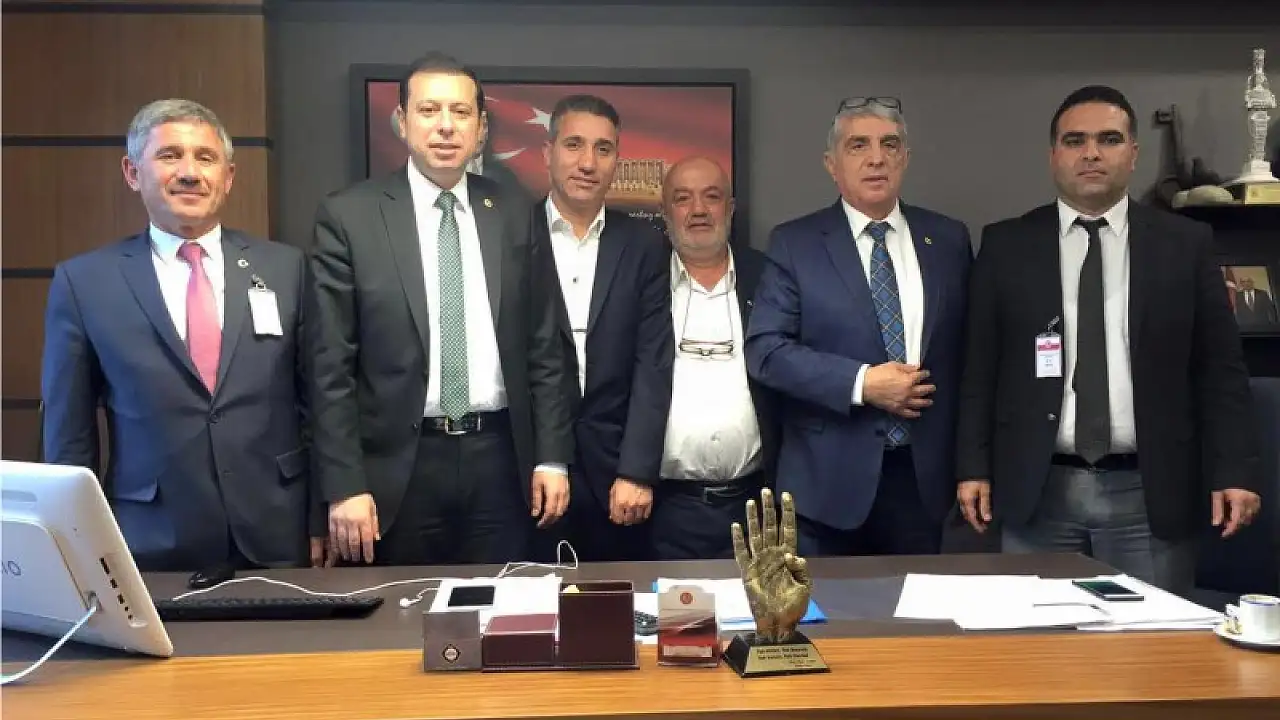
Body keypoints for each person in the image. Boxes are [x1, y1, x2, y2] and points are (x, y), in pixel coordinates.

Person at [955, 85, 1262, 594]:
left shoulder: (1184, 245)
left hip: (1150, 493)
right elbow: (978, 370)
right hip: (1038, 493)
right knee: (1040, 638)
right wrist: (972, 467)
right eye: (1075, 140)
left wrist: (1235, 470)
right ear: (1054, 155)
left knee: (1152, 640)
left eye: (1109, 139)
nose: (1091, 153)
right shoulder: (1007, 245)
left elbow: (1221, 370)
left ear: (1133, 153)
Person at [308, 52, 574, 566]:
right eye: (429, 110)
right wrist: (344, 485)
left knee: (504, 608)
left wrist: (553, 458)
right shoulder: (350, 216)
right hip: (397, 469)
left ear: (481, 127)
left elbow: (545, 345)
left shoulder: (515, 212)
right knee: (402, 609)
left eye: (461, 112)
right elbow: (328, 366)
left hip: (501, 461)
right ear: (402, 121)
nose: (446, 126)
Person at [41, 99, 322, 572]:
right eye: (170, 156)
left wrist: (320, 514)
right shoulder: (85, 283)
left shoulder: (285, 268)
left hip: (277, 532)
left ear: (228, 177)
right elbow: (69, 433)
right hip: (149, 539)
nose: (190, 173)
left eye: (205, 158)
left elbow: (318, 402)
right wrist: (75, 544)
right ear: (132, 173)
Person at [745, 96, 972, 557]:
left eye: (890, 144)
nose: (876, 158)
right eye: (858, 146)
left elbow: (971, 354)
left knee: (915, 605)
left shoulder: (948, 239)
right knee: (827, 607)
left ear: (905, 158)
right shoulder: (796, 243)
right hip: (826, 486)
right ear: (832, 164)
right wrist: (862, 383)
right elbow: (766, 350)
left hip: (922, 482)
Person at [530, 94, 673, 562]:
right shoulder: (511, 235)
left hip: (618, 475)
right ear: (547, 152)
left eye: (603, 149)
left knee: (620, 601)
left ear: (616, 160)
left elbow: (654, 365)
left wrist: (637, 471)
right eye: (574, 145)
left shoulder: (645, 245)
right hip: (529, 470)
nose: (588, 162)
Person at [648, 155, 779, 560]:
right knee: (671, 604)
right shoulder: (641, 280)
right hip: (663, 510)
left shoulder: (768, 276)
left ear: (731, 208)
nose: (699, 210)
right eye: (683, 198)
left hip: (758, 506)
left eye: (712, 196)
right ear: (665, 213)